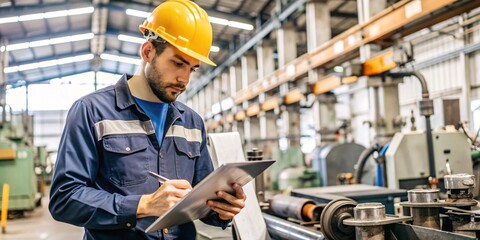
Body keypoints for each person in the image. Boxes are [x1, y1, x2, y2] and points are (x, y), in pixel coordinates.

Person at [48, 0, 246, 239]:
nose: (184, 79)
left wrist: (223, 210)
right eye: (177, 63)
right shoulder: (91, 111)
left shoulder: (192, 122)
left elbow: (203, 199)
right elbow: (65, 198)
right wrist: (142, 205)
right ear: (148, 51)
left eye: (192, 69)